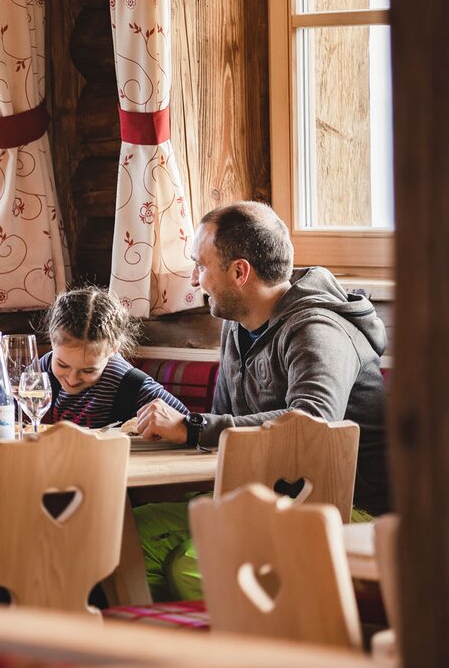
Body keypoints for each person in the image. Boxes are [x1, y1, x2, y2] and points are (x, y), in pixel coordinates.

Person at [134, 200, 389, 600]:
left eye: (201, 266)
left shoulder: (317, 328)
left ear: (239, 272)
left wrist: (192, 427)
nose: (196, 279)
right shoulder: (236, 325)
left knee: (195, 566)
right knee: (129, 534)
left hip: (344, 509)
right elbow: (223, 419)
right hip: (259, 494)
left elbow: (312, 424)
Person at [0, 286, 188, 429]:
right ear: (51, 339)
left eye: (88, 370)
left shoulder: (132, 386)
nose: (73, 379)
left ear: (114, 348)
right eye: (63, 365)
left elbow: (189, 427)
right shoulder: (42, 370)